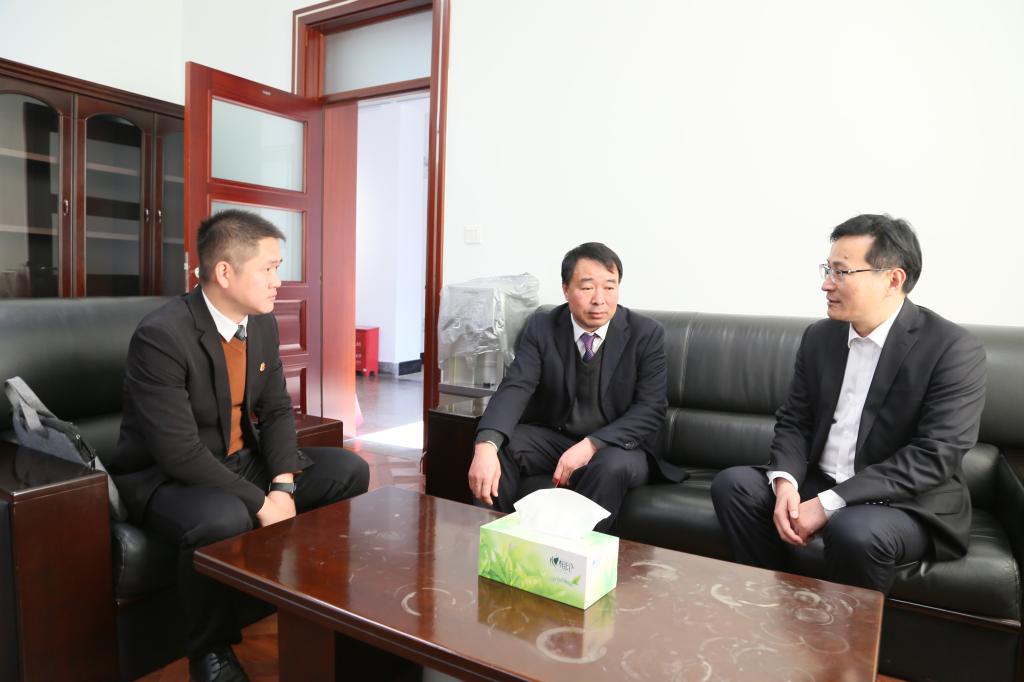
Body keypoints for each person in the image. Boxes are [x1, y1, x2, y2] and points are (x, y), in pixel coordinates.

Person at [109, 210, 369, 682]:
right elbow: (179, 453)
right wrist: (263, 503)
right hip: (168, 478)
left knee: (349, 471)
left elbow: (276, 411)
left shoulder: (260, 324)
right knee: (225, 517)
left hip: (238, 461)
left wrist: (283, 486)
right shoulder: (162, 336)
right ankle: (209, 652)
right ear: (225, 272)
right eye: (268, 268)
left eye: (278, 267)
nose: (278, 282)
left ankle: (311, 604)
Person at [711, 214, 986, 593]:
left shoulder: (952, 349)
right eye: (828, 270)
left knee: (853, 530)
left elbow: (935, 454)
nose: (826, 284)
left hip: (905, 500)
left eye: (841, 272)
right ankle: (776, 602)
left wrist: (828, 503)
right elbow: (795, 421)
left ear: (893, 279)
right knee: (735, 485)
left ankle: (847, 634)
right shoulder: (820, 337)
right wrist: (786, 483)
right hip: (822, 479)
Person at [467, 242, 685, 532]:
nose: (599, 299)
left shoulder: (645, 333)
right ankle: (497, 543)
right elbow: (516, 386)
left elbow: (650, 409)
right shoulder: (542, 327)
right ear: (566, 289)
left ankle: (572, 552)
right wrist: (486, 445)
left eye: (609, 287)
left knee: (609, 465)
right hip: (558, 439)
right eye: (587, 287)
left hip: (619, 447)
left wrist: (592, 444)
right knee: (502, 445)